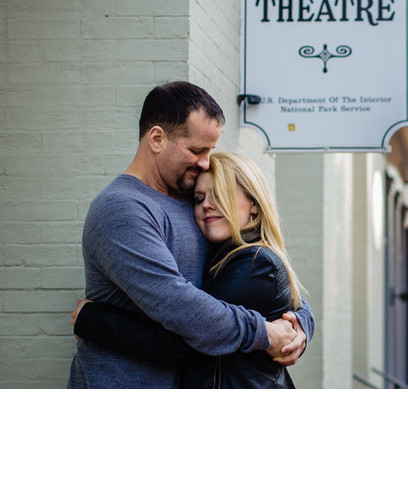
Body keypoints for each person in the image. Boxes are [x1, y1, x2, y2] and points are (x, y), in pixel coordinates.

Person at [68, 82, 314, 388]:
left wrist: (299, 324)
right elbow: (182, 308)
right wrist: (265, 333)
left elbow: (266, 278)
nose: (206, 162)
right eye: (197, 150)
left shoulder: (191, 198)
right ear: (157, 138)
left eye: (210, 150)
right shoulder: (123, 209)